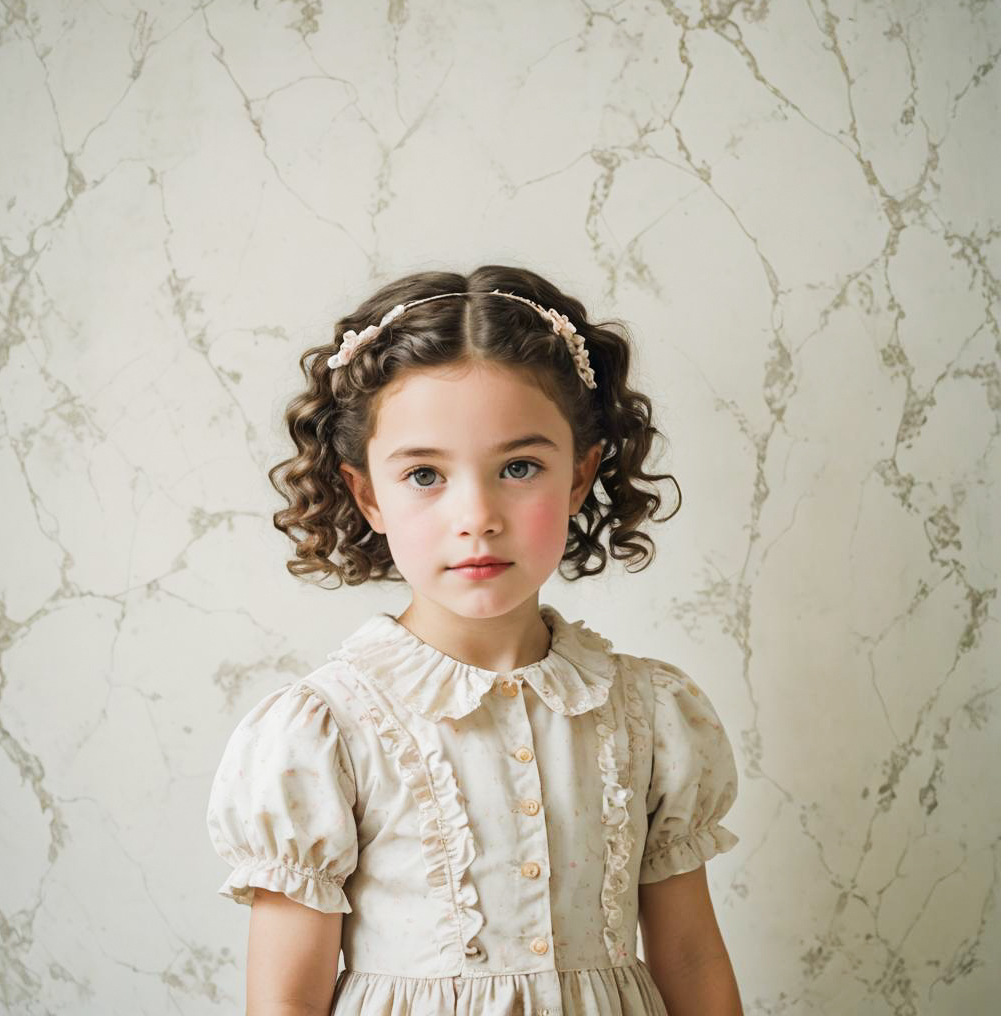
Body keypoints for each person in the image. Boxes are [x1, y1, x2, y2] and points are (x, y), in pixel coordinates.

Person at [205, 264, 744, 1016]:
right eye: (425, 474)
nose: (477, 515)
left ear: (581, 475)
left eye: (519, 467)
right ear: (368, 494)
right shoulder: (325, 733)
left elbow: (690, 957)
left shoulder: (650, 711)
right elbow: (285, 1003)